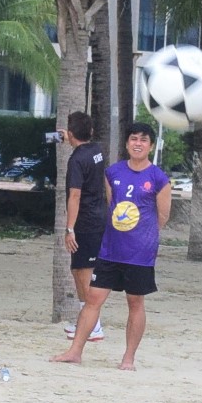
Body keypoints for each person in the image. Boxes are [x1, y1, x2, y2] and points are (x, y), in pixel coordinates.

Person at [52, 122, 171, 370]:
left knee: (135, 302)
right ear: (127, 143)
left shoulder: (159, 178)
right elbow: (111, 204)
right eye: (133, 139)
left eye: (143, 140)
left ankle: (128, 358)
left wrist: (143, 237)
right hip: (110, 249)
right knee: (93, 298)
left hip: (140, 253)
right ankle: (75, 351)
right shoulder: (113, 172)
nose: (138, 144)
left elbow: (162, 216)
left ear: (150, 145)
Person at [60, 111, 109, 342]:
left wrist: (70, 229)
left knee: (85, 273)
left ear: (71, 134)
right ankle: (87, 319)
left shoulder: (77, 160)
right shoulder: (96, 150)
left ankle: (94, 325)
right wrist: (67, 137)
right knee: (77, 270)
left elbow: (75, 195)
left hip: (86, 223)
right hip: (97, 217)